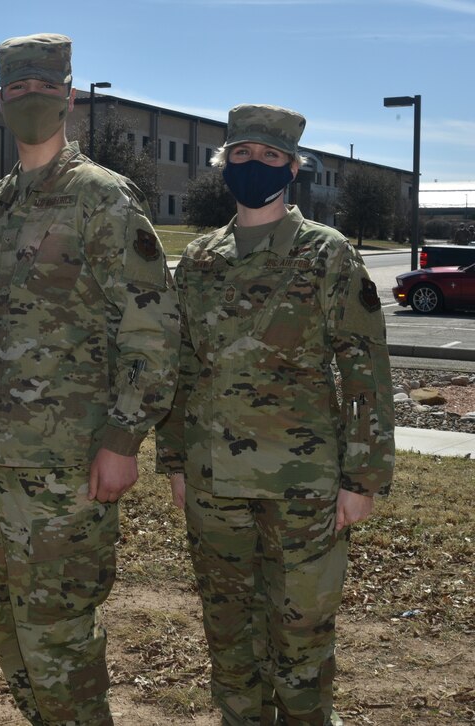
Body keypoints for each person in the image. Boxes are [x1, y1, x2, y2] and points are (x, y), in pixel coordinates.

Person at [0, 33, 180, 725]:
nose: (29, 100)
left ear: (68, 99)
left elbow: (152, 329)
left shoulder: (103, 198)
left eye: (43, 89)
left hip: (71, 462)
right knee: (9, 628)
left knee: (59, 635)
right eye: (16, 90)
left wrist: (123, 438)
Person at [156, 104, 395, 725]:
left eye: (268, 156)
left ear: (292, 167)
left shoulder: (326, 253)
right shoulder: (202, 257)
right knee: (229, 634)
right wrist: (176, 459)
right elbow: (182, 365)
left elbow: (364, 368)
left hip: (304, 485)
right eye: (241, 154)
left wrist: (363, 478)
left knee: (302, 638)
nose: (253, 165)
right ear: (224, 163)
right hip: (213, 484)